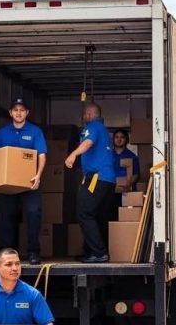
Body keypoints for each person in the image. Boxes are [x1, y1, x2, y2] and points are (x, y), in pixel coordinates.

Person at [0, 98, 47, 265]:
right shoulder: (2, 133)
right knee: (6, 217)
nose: (19, 113)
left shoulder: (35, 131)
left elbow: (41, 155)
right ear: (10, 112)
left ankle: (33, 252)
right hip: (8, 185)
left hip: (29, 182)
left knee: (33, 214)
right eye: (15, 110)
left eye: (22, 110)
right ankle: (7, 256)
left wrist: (38, 175)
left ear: (27, 113)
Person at [64, 102, 115, 263]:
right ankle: (91, 251)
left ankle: (98, 253)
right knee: (97, 216)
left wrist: (73, 154)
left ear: (94, 115)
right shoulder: (104, 130)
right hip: (107, 179)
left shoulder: (93, 126)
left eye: (88, 113)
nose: (86, 116)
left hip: (96, 177)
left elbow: (88, 143)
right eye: (85, 114)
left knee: (84, 212)